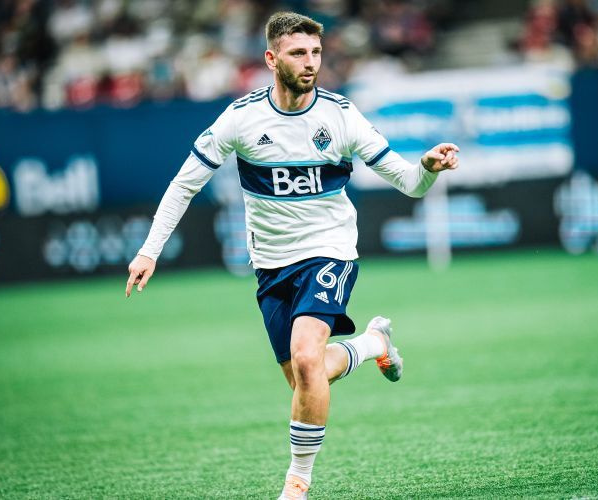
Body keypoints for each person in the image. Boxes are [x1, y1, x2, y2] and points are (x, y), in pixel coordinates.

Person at [125, 11, 459, 499]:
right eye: (299, 53)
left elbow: (409, 183)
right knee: (307, 374)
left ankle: (297, 485)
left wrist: (427, 166)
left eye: (316, 52)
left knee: (306, 360)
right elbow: (184, 185)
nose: (310, 63)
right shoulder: (241, 119)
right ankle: (372, 345)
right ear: (271, 58)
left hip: (330, 251)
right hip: (271, 265)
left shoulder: (341, 116)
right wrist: (149, 251)